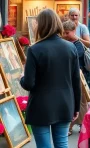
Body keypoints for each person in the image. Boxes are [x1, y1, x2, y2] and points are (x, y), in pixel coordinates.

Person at [20, 9, 81, 148]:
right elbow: (76, 81)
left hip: (40, 105)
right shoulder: (70, 47)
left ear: (41, 26)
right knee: (61, 143)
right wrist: (76, 106)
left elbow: (29, 83)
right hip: (65, 103)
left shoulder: (34, 49)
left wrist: (22, 78)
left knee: (44, 145)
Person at [62, 20, 90, 136]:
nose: (64, 35)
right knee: (80, 101)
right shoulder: (68, 43)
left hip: (79, 76)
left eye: (67, 33)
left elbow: (75, 56)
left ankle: (71, 126)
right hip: (71, 76)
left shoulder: (78, 44)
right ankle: (83, 124)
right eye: (63, 33)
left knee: (79, 101)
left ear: (74, 32)